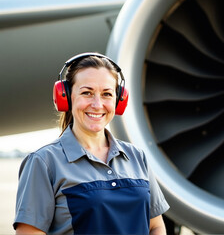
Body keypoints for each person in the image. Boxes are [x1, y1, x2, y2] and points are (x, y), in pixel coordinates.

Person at [13, 53, 169, 235]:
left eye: (107, 94)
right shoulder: (44, 162)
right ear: (66, 97)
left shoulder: (137, 157)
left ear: (119, 100)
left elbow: (156, 226)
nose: (97, 104)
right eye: (87, 93)